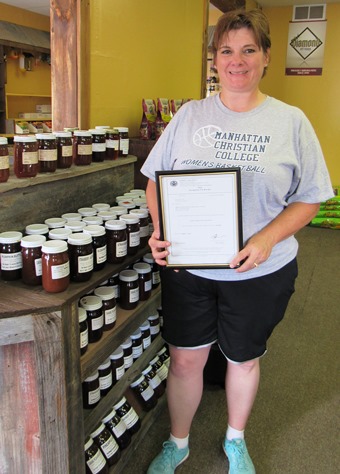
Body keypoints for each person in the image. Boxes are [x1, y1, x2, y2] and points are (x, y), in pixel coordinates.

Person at [141, 9, 333, 474]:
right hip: (191, 267)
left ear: (266, 57)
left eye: (249, 49)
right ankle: (178, 442)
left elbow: (310, 200)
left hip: (260, 270)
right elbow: (154, 180)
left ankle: (235, 439)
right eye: (226, 50)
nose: (237, 60)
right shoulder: (189, 115)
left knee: (243, 360)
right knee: (186, 361)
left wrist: (267, 238)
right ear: (214, 60)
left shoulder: (291, 121)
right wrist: (160, 228)